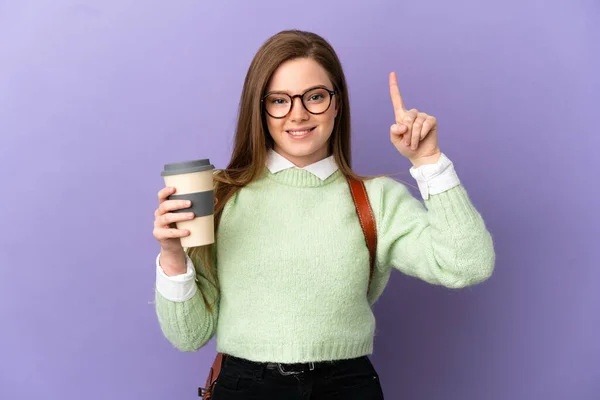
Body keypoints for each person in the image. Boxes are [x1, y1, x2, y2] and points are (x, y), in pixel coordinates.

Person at [152, 30, 495, 399]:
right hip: (245, 387)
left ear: (336, 104)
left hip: (347, 387)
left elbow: (467, 264)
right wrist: (173, 255)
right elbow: (189, 336)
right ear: (261, 109)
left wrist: (429, 162)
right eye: (279, 100)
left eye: (315, 96)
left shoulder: (376, 200)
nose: (297, 114)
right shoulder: (219, 195)